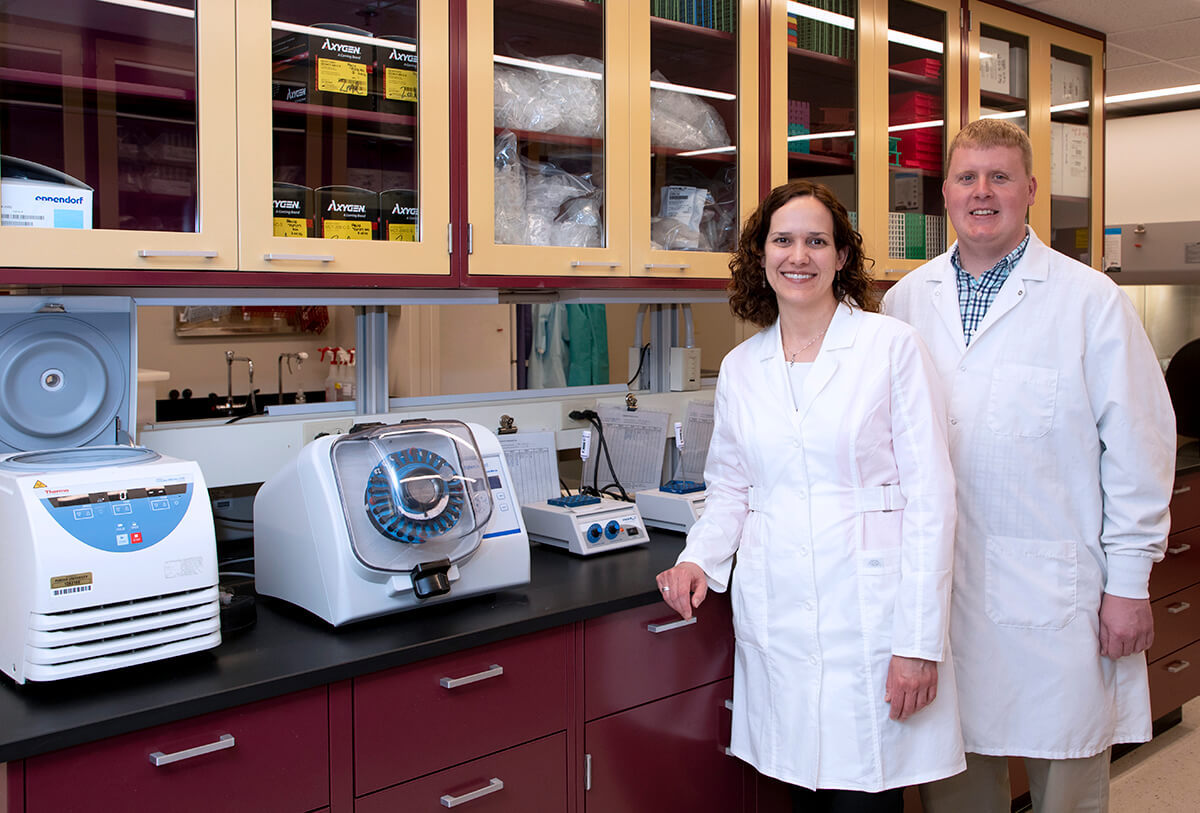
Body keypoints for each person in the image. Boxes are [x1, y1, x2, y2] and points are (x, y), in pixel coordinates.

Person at [882, 118, 1176, 813]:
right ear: (945, 193)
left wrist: (1130, 581)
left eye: (1000, 176)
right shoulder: (902, 303)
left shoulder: (1089, 300)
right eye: (966, 177)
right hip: (940, 597)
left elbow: (1140, 447)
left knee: (1066, 782)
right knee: (956, 784)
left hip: (1057, 596)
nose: (982, 191)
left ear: (1030, 191)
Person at [656, 180, 965, 812]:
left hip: (871, 624)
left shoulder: (890, 348)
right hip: (783, 623)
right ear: (761, 255)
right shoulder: (743, 366)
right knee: (801, 795)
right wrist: (696, 560)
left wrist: (918, 644)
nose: (799, 256)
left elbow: (933, 501)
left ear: (841, 257)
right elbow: (732, 489)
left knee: (865, 798)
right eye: (784, 240)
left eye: (816, 241)